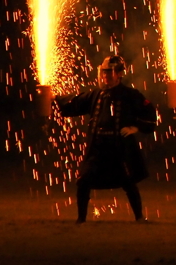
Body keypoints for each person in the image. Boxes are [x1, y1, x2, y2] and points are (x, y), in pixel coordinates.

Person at [55, 55, 157, 223]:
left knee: (129, 182)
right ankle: (81, 219)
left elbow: (149, 113)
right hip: (98, 147)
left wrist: (135, 127)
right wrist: (53, 98)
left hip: (119, 147)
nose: (106, 76)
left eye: (109, 72)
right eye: (104, 72)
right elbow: (74, 104)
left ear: (119, 74)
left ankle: (139, 218)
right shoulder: (95, 94)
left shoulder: (130, 95)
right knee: (83, 180)